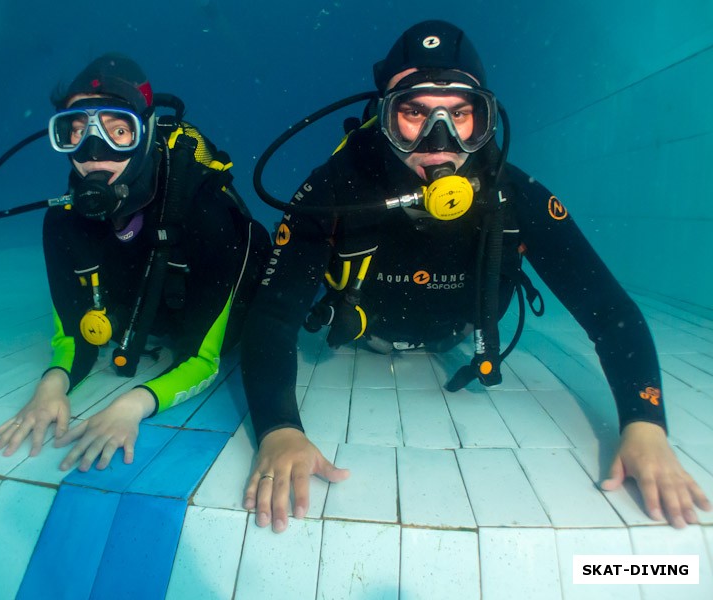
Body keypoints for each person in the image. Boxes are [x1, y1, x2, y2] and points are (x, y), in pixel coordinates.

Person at [240, 20, 711, 533]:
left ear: (482, 119)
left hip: (455, 337)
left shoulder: (513, 194)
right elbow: (274, 312)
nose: (437, 139)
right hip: (361, 340)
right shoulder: (338, 186)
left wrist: (645, 423)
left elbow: (609, 310)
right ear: (384, 116)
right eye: (415, 111)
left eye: (459, 114)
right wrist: (278, 429)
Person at [0, 53, 269, 471]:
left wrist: (132, 405)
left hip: (223, 303)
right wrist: (51, 386)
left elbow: (203, 359)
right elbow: (71, 336)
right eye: (76, 131)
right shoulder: (64, 223)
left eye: (119, 130)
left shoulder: (204, 212)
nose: (94, 150)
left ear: (146, 132)